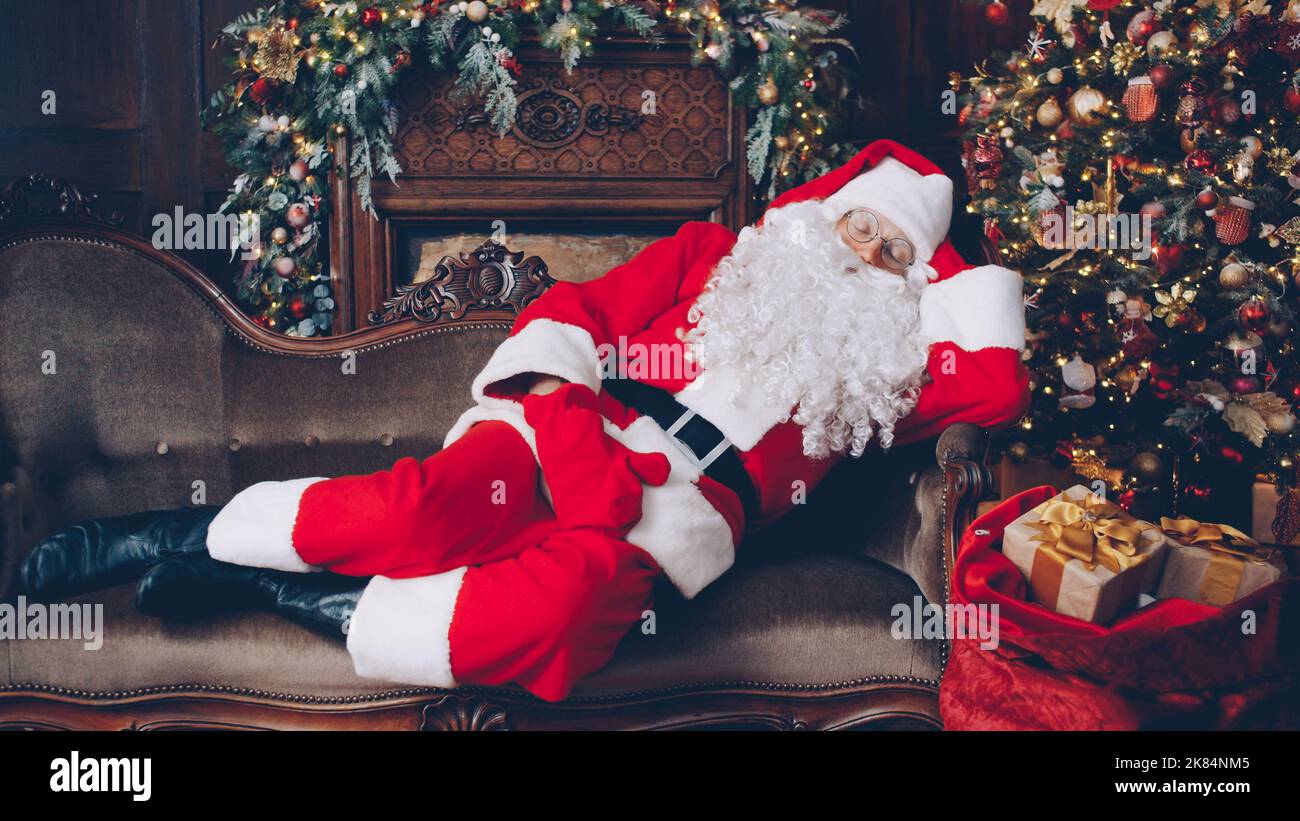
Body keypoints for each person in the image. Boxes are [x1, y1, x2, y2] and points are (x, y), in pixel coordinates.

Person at [23, 140, 1029, 702]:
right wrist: (551, 396)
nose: (863, 253)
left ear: (918, 288)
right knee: (418, 513)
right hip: (570, 424)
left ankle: (279, 593)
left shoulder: (880, 380)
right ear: (820, 214)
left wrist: (942, 282)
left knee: (566, 613)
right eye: (857, 225)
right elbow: (574, 316)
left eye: (894, 254)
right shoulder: (715, 256)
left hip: (679, 511)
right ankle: (164, 533)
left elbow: (993, 384)